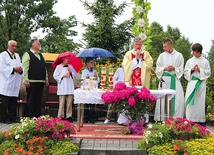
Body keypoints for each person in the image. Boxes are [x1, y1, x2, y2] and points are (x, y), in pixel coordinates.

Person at [154, 38, 185, 121]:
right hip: (164, 80)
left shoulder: (179, 55)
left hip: (174, 79)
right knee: (163, 98)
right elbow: (158, 68)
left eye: (165, 47)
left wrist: (174, 68)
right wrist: (165, 68)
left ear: (170, 45)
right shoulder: (162, 56)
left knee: (178, 99)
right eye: (163, 47)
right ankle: (162, 119)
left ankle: (176, 118)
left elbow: (182, 69)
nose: (164, 48)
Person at [184, 43, 211, 126]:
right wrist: (192, 70)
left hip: (200, 84)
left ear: (199, 52)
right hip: (191, 82)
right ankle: (189, 119)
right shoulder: (190, 61)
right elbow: (185, 72)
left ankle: (199, 120)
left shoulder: (205, 61)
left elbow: (208, 72)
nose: (193, 53)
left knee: (199, 103)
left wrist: (199, 70)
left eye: (194, 51)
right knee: (190, 102)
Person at [22, 39, 49, 118]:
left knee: (38, 100)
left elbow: (44, 68)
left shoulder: (41, 55)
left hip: (41, 80)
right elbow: (25, 68)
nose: (39, 44)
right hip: (32, 80)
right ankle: (29, 116)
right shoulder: (27, 54)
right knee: (31, 99)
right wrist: (26, 79)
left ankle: (37, 116)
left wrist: (46, 78)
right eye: (38, 43)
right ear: (33, 45)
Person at [0, 40, 23, 123]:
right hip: (6, 82)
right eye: (13, 46)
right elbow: (2, 68)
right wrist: (13, 69)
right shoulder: (3, 55)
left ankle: (13, 117)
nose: (14, 48)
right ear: (8, 46)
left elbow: (20, 65)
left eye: (15, 46)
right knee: (5, 102)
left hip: (15, 82)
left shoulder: (17, 55)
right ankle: (4, 118)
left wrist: (20, 69)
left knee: (13, 101)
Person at [53, 55, 76, 123]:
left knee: (69, 103)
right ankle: (60, 115)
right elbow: (55, 76)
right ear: (63, 59)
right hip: (62, 86)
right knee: (62, 103)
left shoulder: (70, 66)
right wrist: (63, 75)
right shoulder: (58, 67)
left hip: (69, 86)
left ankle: (69, 116)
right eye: (66, 59)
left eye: (68, 59)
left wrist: (70, 72)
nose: (67, 60)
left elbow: (74, 75)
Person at [81, 57, 100, 123]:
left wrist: (96, 76)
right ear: (87, 63)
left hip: (93, 89)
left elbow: (98, 81)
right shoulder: (84, 71)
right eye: (91, 63)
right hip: (87, 89)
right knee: (86, 103)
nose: (92, 64)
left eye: (93, 63)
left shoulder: (94, 71)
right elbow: (83, 80)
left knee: (92, 103)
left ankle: (92, 118)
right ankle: (86, 118)